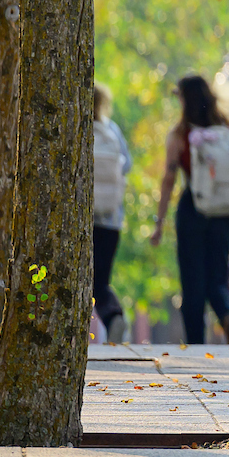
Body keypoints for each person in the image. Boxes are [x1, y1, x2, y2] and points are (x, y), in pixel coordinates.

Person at [149, 73, 229, 345]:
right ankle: (228, 316)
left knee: (193, 281)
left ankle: (195, 344)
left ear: (184, 100)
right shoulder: (227, 127)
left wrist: (159, 222)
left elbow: (169, 180)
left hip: (194, 208)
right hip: (226, 211)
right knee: (217, 277)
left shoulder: (181, 135)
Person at [90, 83, 130, 342]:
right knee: (101, 279)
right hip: (111, 219)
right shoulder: (111, 130)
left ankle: (110, 319)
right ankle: (114, 316)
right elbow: (126, 166)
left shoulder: (75, 129)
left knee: (83, 280)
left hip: (83, 221)